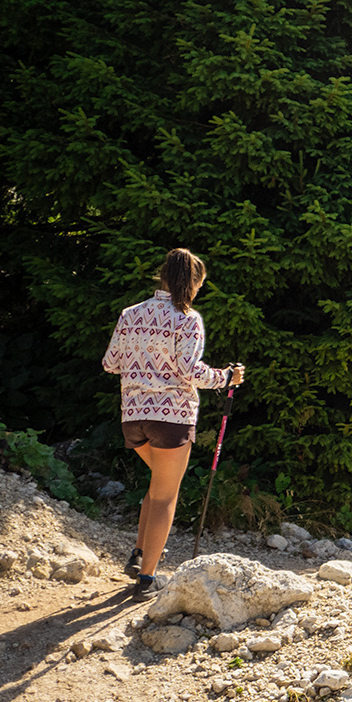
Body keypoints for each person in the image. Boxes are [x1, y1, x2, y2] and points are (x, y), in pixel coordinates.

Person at [102, 248, 245, 601]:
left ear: (163, 275)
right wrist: (227, 377)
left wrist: (143, 367)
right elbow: (189, 371)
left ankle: (138, 556)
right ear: (192, 283)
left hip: (133, 417)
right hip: (171, 418)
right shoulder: (187, 318)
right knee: (167, 494)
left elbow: (110, 363)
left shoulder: (130, 314)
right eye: (199, 284)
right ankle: (148, 580)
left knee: (157, 484)